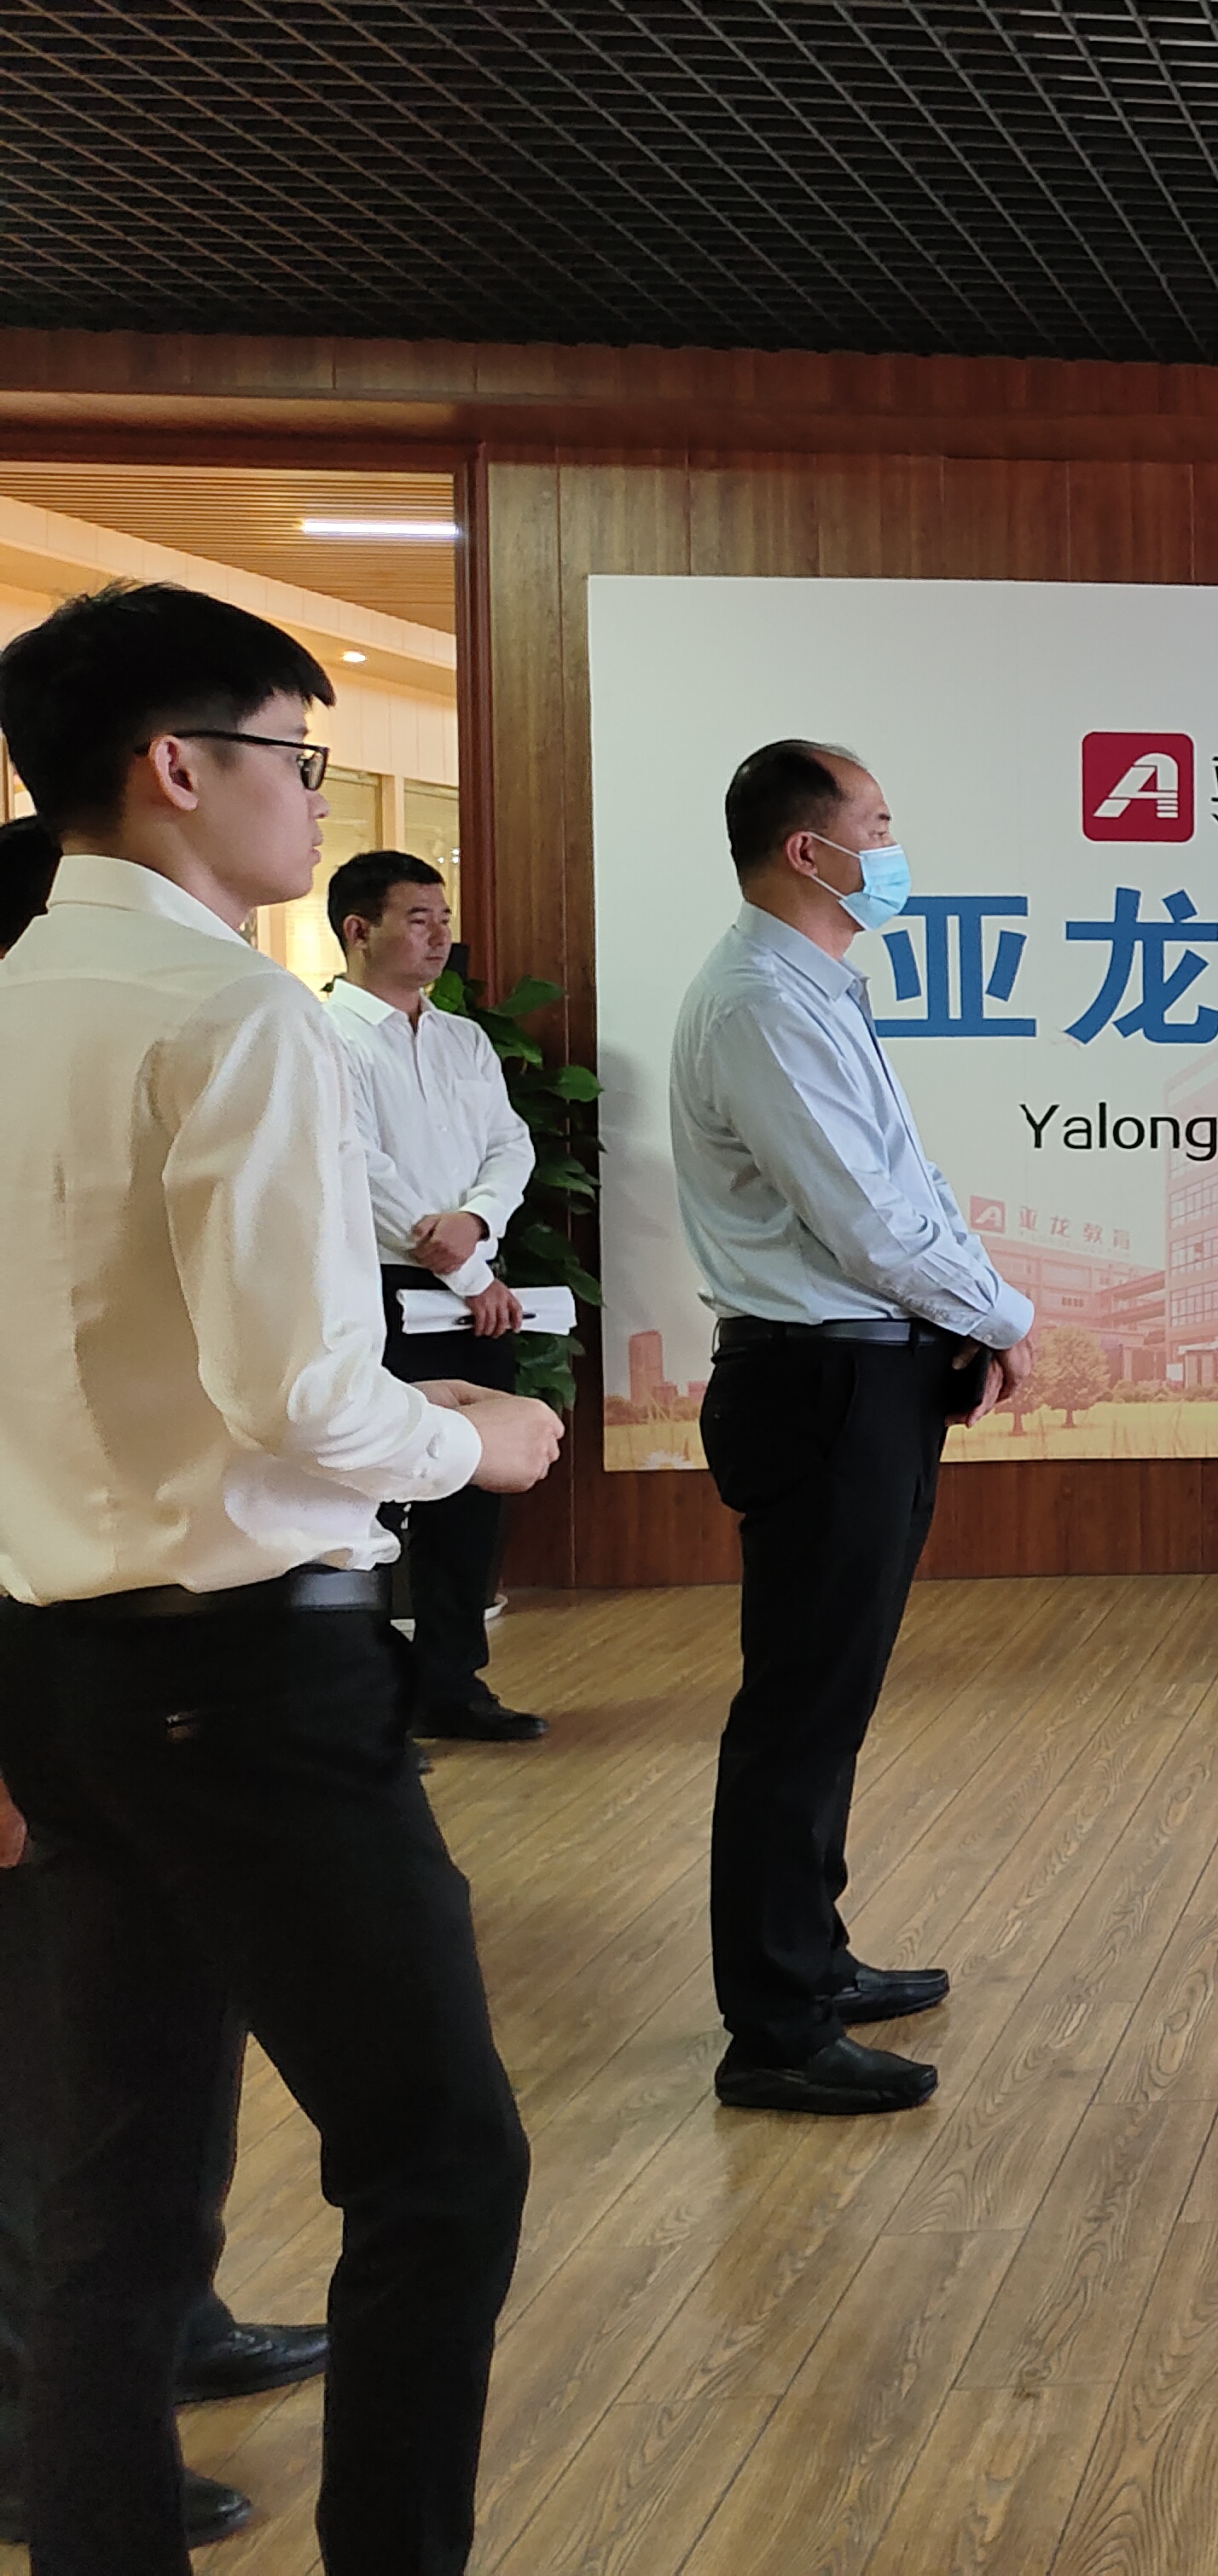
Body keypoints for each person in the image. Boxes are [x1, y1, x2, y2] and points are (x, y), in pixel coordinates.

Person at [0, 587, 562, 2576]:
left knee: (123, 2198)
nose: (315, 803)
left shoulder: (21, 989)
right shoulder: (229, 1012)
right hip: (249, 1675)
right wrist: (479, 1441)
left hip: (60, 1664)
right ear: (177, 765)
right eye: (294, 757)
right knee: (441, 2160)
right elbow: (302, 1396)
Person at [670, 740, 1034, 2117]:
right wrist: (1003, 1314)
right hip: (816, 1382)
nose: (893, 849)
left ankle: (811, 1961)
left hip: (862, 1376)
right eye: (876, 826)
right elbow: (869, 1227)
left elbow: (908, 1184)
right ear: (805, 850)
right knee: (799, 1710)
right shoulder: (760, 1003)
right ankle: (773, 2027)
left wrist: (977, 1311)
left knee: (832, 1698)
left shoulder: (815, 989)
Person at [325, 850, 549, 1743]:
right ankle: (368, 1697)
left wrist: (477, 1222)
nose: (440, 935)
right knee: (371, 1495)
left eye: (444, 917)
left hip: (475, 1286)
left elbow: (510, 1144)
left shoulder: (463, 1038)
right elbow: (360, 1169)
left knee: (472, 1491)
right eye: (418, 918)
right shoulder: (326, 1037)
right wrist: (467, 1269)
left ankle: (452, 1684)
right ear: (358, 930)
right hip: (379, 1289)